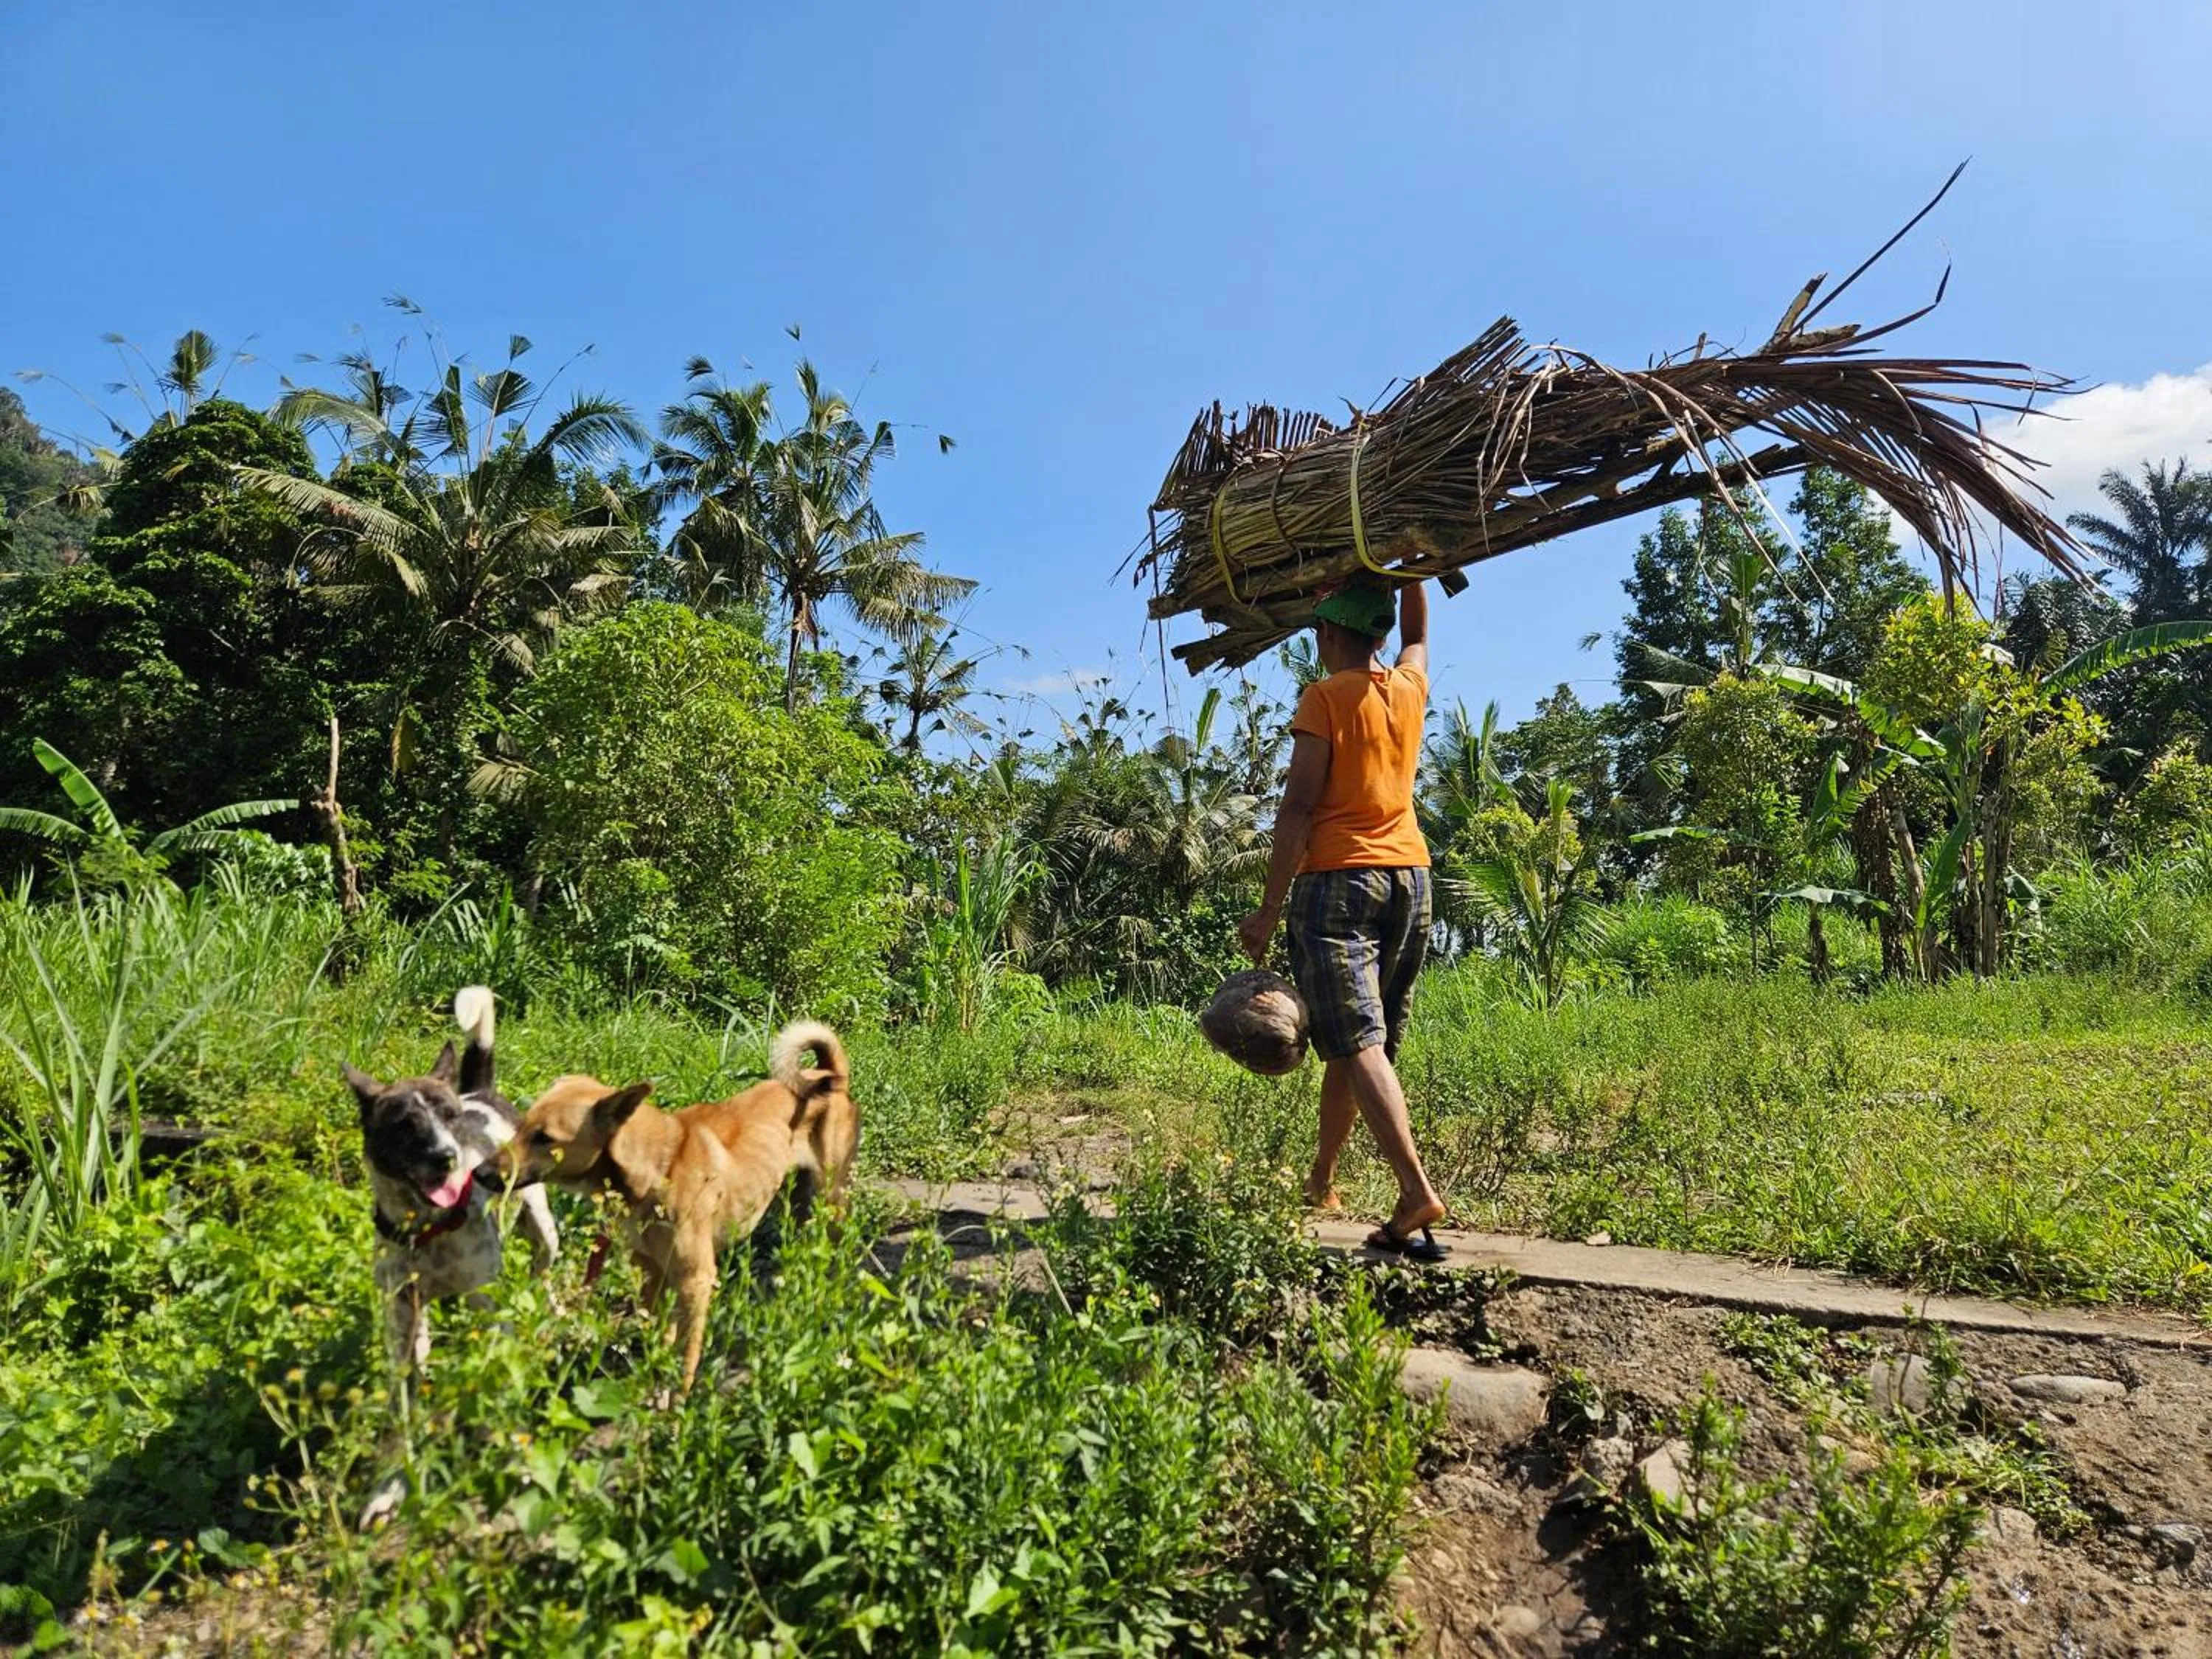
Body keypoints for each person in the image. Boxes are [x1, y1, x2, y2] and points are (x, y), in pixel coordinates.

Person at [1238, 574, 1448, 1261]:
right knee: (1361, 1039)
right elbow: (1419, 637)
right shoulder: (1407, 689)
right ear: (1378, 636)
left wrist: (1268, 910)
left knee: (1355, 1039)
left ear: (1330, 634)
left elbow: (1297, 809)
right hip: (1411, 881)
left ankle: (1415, 1189)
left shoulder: (1324, 697)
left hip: (1340, 883)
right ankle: (1322, 1181)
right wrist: (1413, 567)